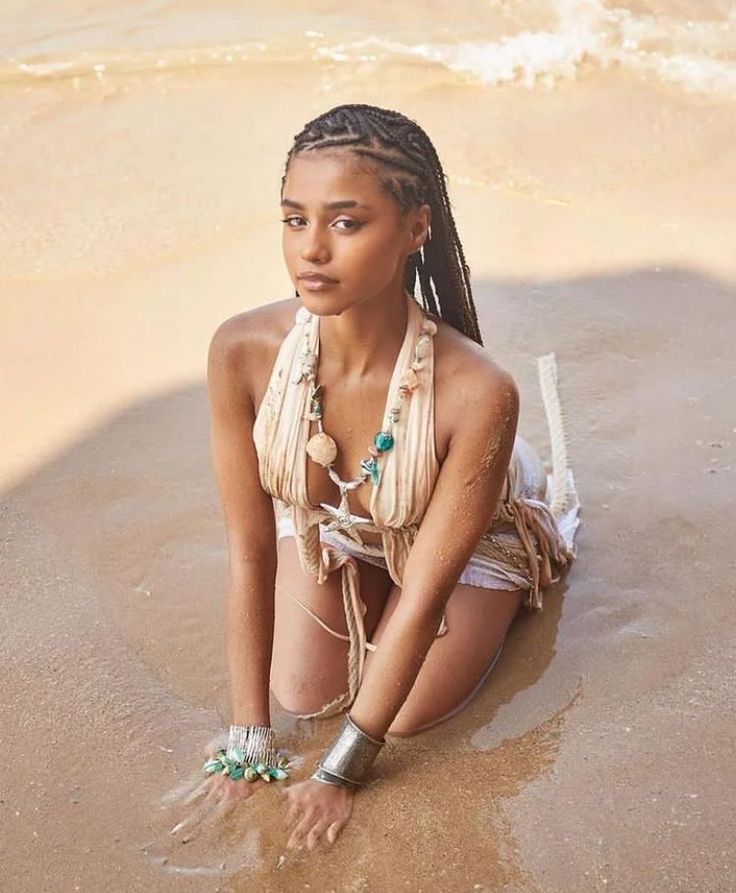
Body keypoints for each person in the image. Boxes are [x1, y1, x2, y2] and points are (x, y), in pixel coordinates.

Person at [199, 103, 581, 852]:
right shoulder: (243, 350)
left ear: (415, 228)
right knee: (299, 696)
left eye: (346, 223)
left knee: (400, 718)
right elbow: (250, 550)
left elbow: (427, 593)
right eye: (293, 219)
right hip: (341, 525)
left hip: (465, 536)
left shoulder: (477, 390)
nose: (311, 250)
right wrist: (250, 740)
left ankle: (511, 584)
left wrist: (343, 769)